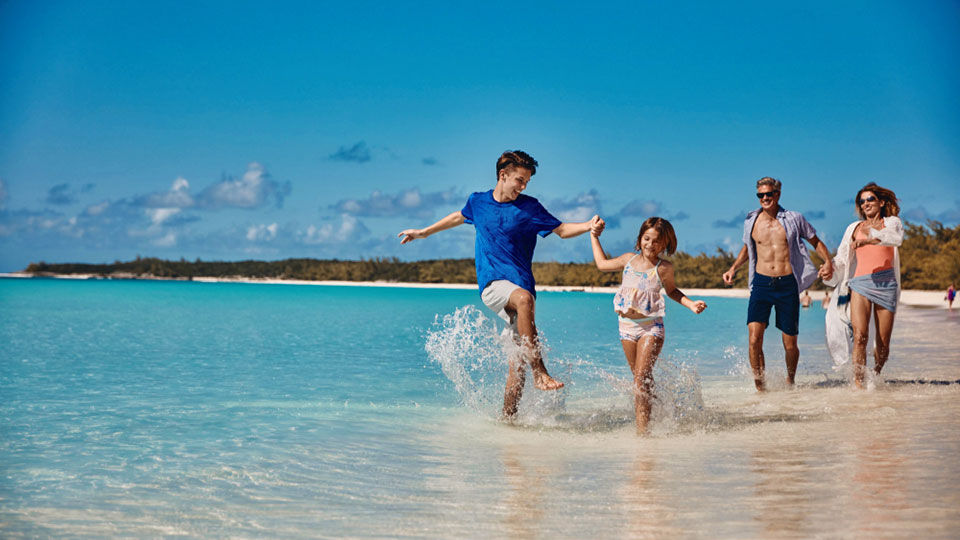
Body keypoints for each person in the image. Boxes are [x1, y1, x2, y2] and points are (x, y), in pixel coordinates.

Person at [398, 150, 601, 418]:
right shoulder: (478, 202)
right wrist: (423, 232)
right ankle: (540, 373)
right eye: (520, 179)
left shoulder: (530, 208)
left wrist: (588, 225)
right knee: (524, 300)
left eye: (527, 181)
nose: (523, 186)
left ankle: (508, 422)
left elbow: (562, 230)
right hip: (494, 285)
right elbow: (458, 217)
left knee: (516, 365)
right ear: (502, 175)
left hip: (522, 285)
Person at [590, 217, 707, 433]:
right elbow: (601, 264)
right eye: (646, 239)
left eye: (656, 241)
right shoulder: (628, 260)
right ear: (640, 238)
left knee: (640, 380)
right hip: (625, 327)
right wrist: (594, 236)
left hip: (650, 327)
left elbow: (672, 291)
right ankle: (660, 413)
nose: (650, 245)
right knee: (640, 381)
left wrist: (690, 304)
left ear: (665, 244)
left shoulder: (663, 268)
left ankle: (642, 434)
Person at [722, 177, 833, 391]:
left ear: (777, 194)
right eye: (760, 195)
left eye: (768, 194)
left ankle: (790, 382)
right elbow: (747, 248)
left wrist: (828, 262)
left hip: (787, 284)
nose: (764, 198)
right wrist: (733, 268)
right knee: (754, 339)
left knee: (790, 345)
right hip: (761, 284)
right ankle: (760, 388)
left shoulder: (794, 218)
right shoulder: (751, 221)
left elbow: (815, 241)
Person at [824, 183, 903, 388]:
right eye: (862, 201)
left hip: (886, 284)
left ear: (881, 202)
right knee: (860, 337)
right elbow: (842, 257)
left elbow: (896, 239)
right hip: (859, 283)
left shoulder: (892, 222)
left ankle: (874, 375)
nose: (866, 204)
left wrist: (869, 240)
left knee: (883, 345)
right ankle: (858, 386)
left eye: (870, 199)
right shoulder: (853, 228)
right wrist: (830, 269)